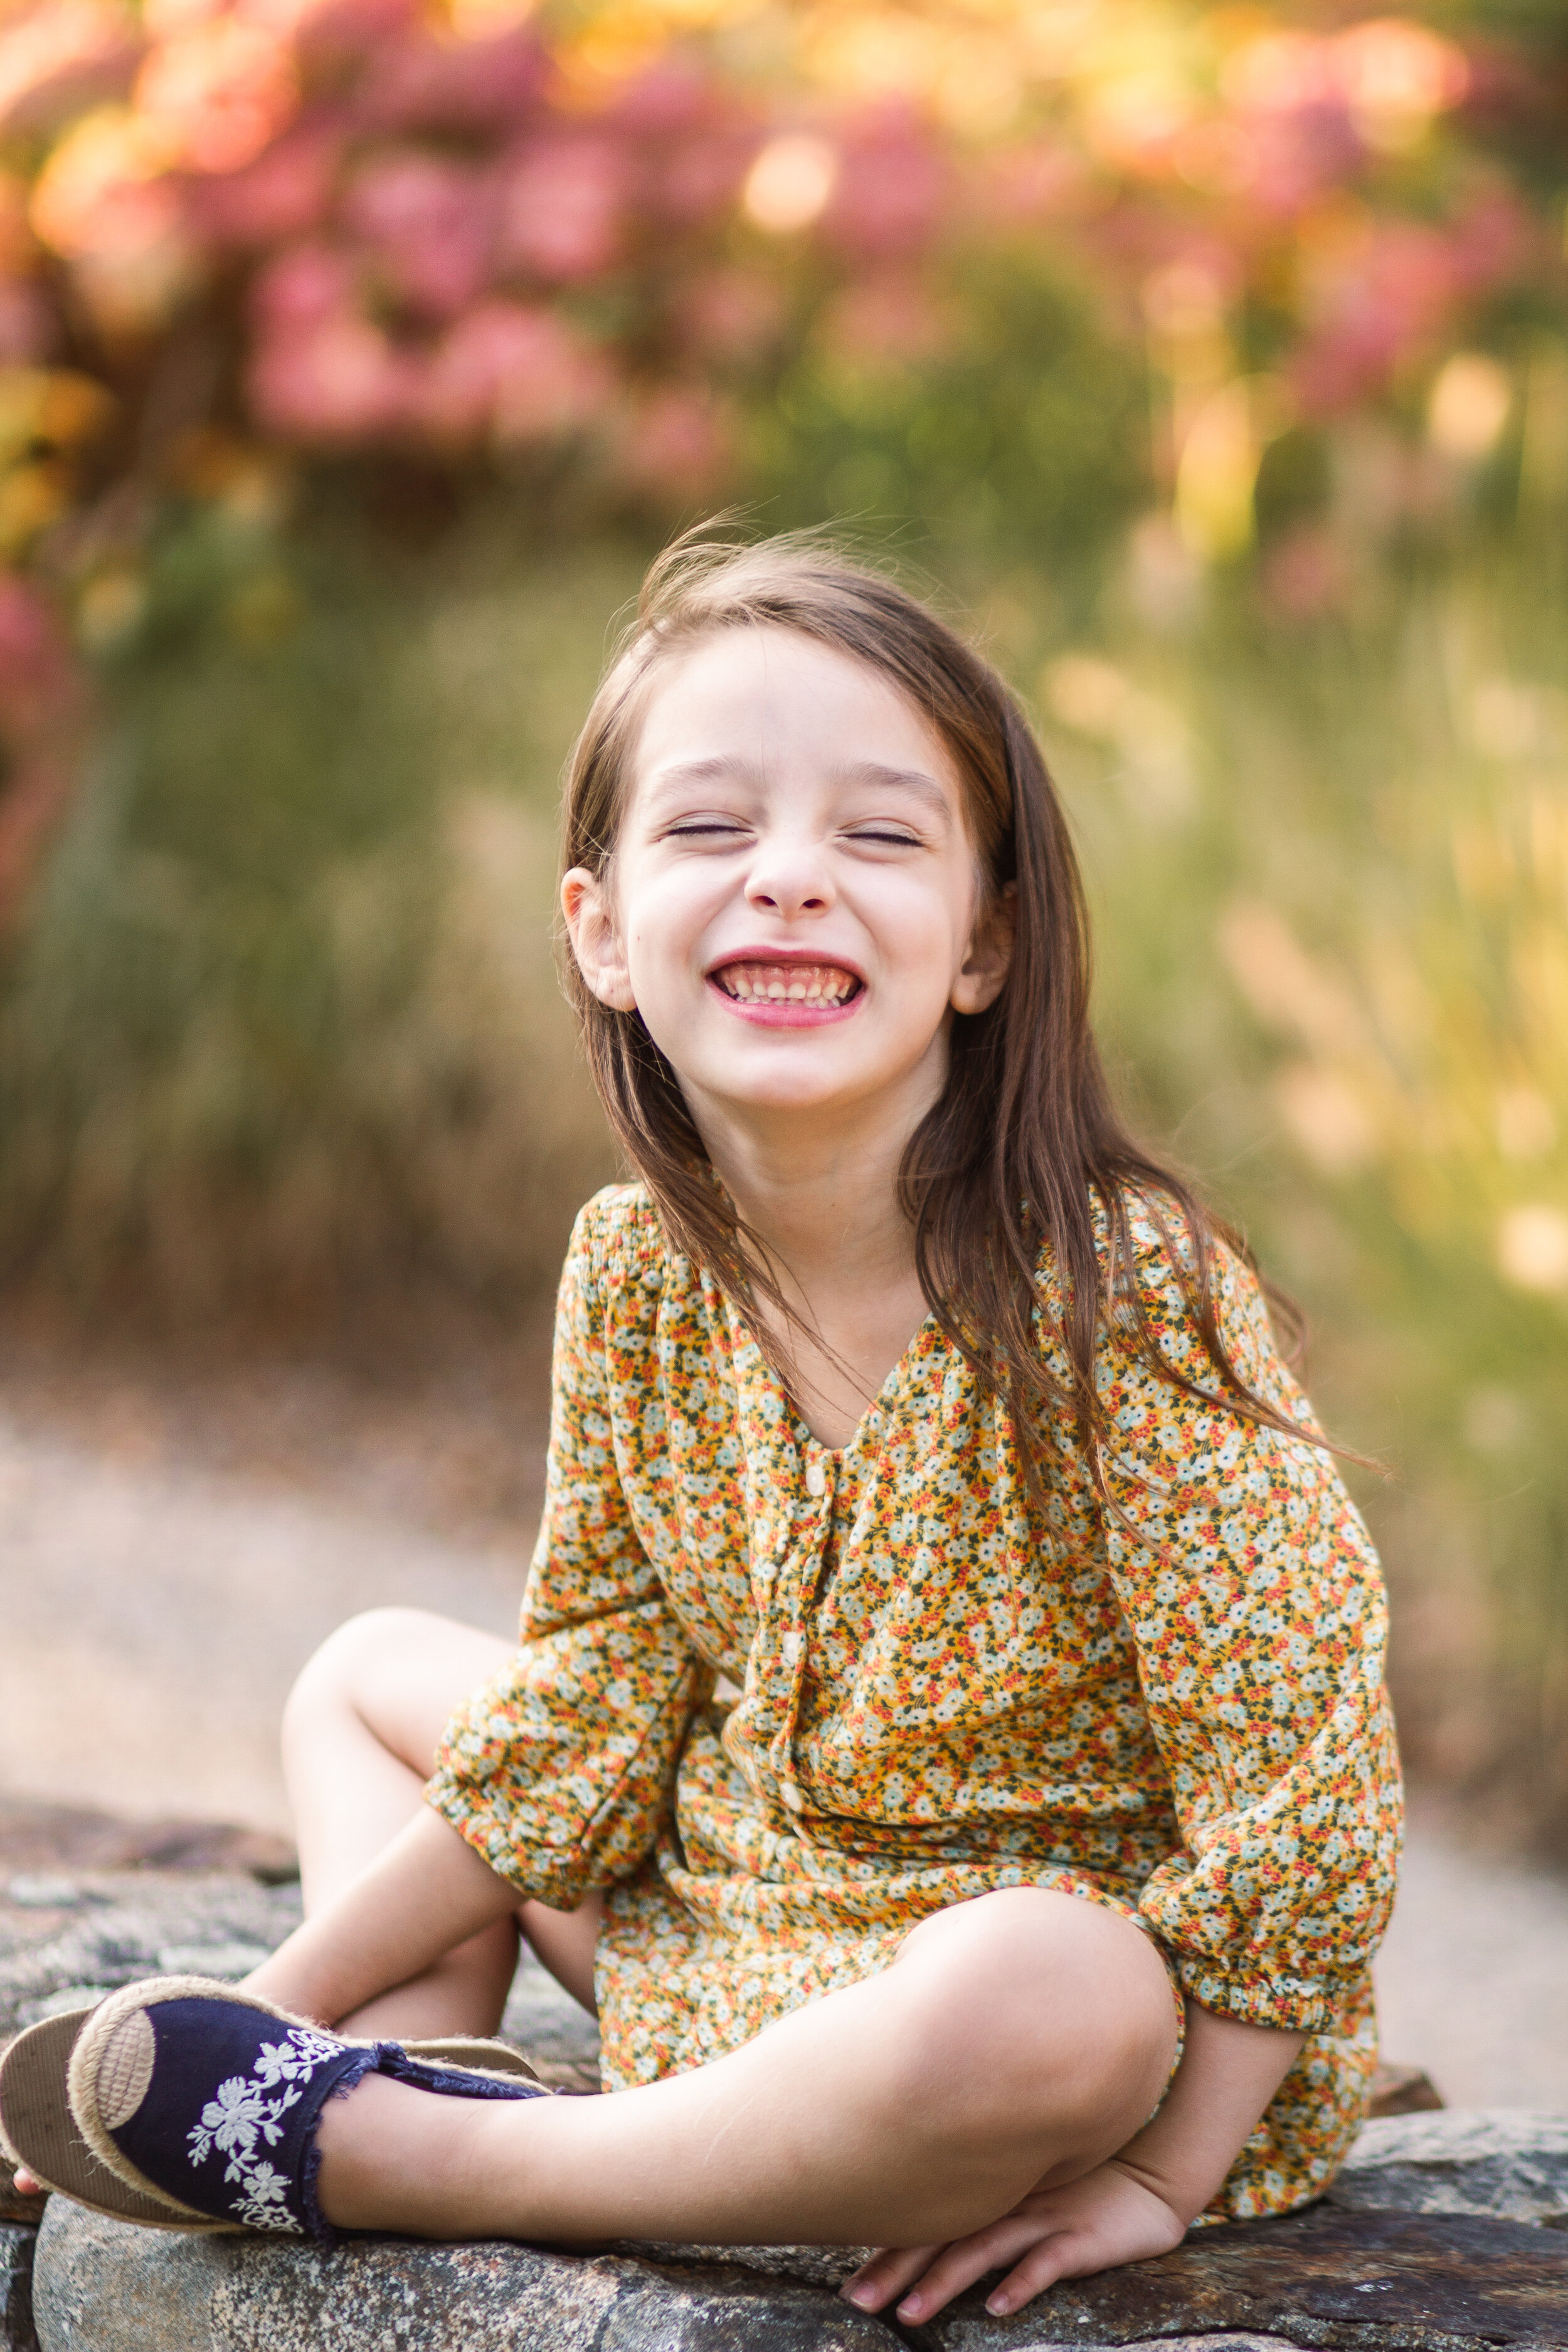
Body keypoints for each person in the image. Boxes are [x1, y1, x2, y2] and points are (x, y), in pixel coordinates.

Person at [1, 534, 1401, 2326]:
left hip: (1016, 2023)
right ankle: (409, 2070)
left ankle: (453, 2171)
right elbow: (594, 1697)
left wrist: (1164, 2171)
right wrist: (257, 2014)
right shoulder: (636, 1271)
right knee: (367, 1674)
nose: (794, 881)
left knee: (1060, 1986)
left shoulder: (1114, 1293)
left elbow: (1307, 1776)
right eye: (712, 828)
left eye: (878, 836)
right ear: (598, 931)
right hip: (731, 1933)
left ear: (982, 943)